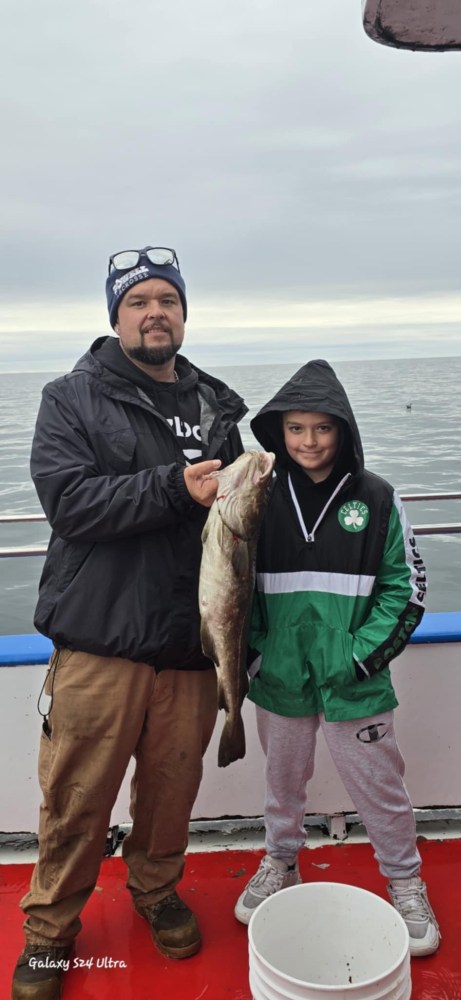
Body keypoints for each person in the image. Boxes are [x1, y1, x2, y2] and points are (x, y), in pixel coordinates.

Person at [12, 246, 247, 1000]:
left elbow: (237, 530)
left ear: (183, 313)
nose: (155, 313)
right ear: (115, 316)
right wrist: (175, 489)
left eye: (167, 301)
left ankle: (156, 891)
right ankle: (50, 931)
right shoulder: (70, 398)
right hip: (100, 642)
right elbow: (71, 505)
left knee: (171, 792)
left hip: (190, 647)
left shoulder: (217, 405)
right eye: (139, 301)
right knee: (77, 799)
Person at [234, 359, 440, 958]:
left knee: (381, 786)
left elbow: (407, 587)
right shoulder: (257, 496)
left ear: (344, 430)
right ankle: (280, 861)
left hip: (357, 679)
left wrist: (359, 658)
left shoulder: (376, 497)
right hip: (277, 678)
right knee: (282, 783)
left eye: (322, 429)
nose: (309, 441)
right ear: (278, 432)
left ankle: (405, 879)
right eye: (295, 429)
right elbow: (232, 583)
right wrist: (253, 660)